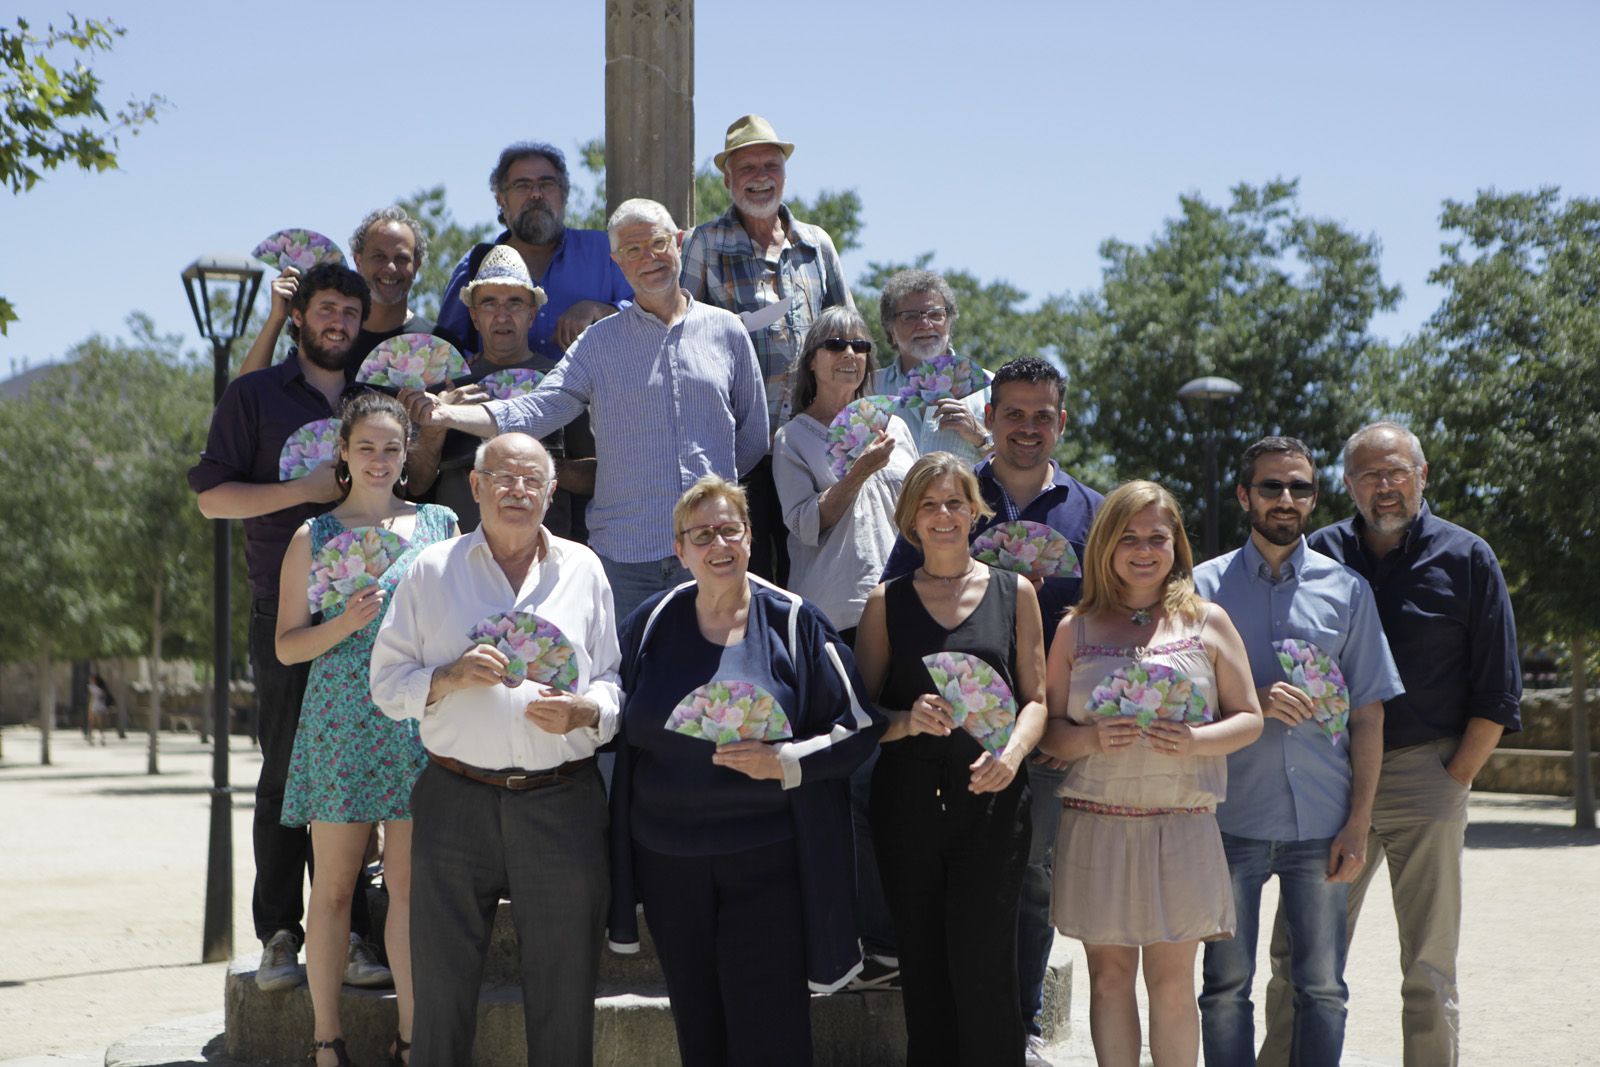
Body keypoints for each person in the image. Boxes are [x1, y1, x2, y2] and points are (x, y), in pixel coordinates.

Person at [1259, 422, 1523, 1067]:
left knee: (1428, 966)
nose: (1385, 487)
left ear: (1422, 476)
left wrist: (1451, 780)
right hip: (1328, 779)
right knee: (1301, 956)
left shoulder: (1467, 558)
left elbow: (1498, 692)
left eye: (1398, 472)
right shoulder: (1317, 553)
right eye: (1370, 475)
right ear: (1346, 485)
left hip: (1422, 777)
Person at [607, 475, 884, 1066]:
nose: (718, 545)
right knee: (697, 1025)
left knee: (771, 1032)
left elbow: (860, 726)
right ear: (679, 551)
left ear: (751, 539)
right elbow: (612, 709)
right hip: (667, 861)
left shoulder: (793, 622)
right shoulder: (650, 624)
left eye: (729, 529)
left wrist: (784, 761)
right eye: (701, 534)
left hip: (766, 859)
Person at [370, 432, 620, 1064]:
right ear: (475, 487)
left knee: (566, 997)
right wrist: (449, 676)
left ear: (552, 491)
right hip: (456, 797)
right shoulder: (432, 571)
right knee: (442, 997)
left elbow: (613, 679)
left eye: (532, 480)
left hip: (562, 801)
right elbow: (385, 685)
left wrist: (588, 711)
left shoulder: (584, 569)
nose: (518, 491)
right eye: (503, 478)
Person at [880, 356, 1103, 1059]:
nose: (1029, 427)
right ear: (992, 420)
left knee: (1019, 909)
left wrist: (1023, 745)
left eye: (1043, 415)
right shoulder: (933, 522)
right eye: (1015, 413)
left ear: (1060, 423)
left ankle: (1026, 1026)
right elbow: (875, 675)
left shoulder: (1087, 515)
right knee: (939, 944)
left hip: (1037, 747)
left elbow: (1118, 605)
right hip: (926, 776)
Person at [414, 198, 769, 622]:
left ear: (678, 243)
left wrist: (714, 487)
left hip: (715, 550)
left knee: (711, 682)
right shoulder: (598, 344)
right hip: (626, 559)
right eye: (633, 251)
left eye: (657, 243)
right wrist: (449, 416)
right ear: (617, 263)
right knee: (624, 685)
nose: (648, 258)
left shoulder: (727, 331)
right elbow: (537, 409)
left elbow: (751, 440)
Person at [188, 262, 389, 992]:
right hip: (288, 609)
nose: (338, 321)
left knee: (363, 773)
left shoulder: (381, 398)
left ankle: (363, 937)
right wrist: (299, 492)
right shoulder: (254, 395)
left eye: (349, 311)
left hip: (373, 616)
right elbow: (212, 498)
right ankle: (280, 932)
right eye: (325, 308)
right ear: (299, 316)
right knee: (283, 770)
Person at [1191, 436, 1403, 1067]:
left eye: (1299, 488)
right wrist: (1249, 699)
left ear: (1314, 496)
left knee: (1324, 989)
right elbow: (1179, 703)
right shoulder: (1200, 589)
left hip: (1323, 821)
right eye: (1271, 487)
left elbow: (1368, 715)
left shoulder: (1348, 591)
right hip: (1229, 819)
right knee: (1225, 988)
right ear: (1244, 495)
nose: (1286, 499)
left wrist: (1358, 823)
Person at [1039, 479, 1262, 1067]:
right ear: (1106, 546)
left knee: (1172, 983)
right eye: (1128, 537)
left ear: (1176, 544)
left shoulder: (1208, 621)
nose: (1144, 550)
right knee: (1109, 980)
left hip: (1183, 824)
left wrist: (1194, 741)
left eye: (1157, 537)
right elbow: (1050, 729)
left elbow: (1249, 719)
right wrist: (1088, 738)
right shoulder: (1074, 629)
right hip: (1096, 825)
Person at [275, 391, 458, 1066]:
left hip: (416, 718)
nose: (379, 459)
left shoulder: (441, 524)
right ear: (344, 454)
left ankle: (412, 1038)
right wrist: (343, 624)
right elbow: (287, 646)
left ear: (407, 451)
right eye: (366, 446)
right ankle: (327, 1039)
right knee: (333, 887)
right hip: (339, 720)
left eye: (391, 446)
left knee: (410, 889)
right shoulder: (313, 535)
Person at [853, 452, 1050, 1066]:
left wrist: (1014, 754)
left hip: (993, 802)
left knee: (988, 962)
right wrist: (907, 719)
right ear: (910, 518)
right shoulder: (885, 603)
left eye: (955, 502)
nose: (944, 515)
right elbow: (860, 718)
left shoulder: (1013, 591)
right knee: (924, 963)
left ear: (975, 511)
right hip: (908, 805)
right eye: (929, 504)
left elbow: (1037, 699)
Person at [682, 113, 856, 584]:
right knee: (750, 571)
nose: (760, 178)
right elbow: (680, 339)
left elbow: (850, 337)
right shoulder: (705, 243)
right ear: (727, 179)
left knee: (818, 568)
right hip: (741, 446)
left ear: (785, 173)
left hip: (812, 440)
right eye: (748, 168)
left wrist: (855, 424)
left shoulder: (816, 244)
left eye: (770, 166)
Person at [404, 245, 590, 538]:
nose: (502, 316)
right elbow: (415, 484)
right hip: (461, 556)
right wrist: (435, 429)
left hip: (544, 559)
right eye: (490, 303)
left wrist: (531, 467)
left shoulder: (562, 380)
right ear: (474, 316)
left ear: (532, 313)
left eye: (514, 303)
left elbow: (596, 475)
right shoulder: (445, 387)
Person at [771, 307, 916, 643]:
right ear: (811, 361)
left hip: (904, 600)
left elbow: (918, 510)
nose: (850, 353)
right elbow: (804, 525)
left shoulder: (895, 426)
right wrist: (857, 474)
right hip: (836, 609)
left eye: (860, 346)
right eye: (835, 344)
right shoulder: (793, 437)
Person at [435, 141, 632, 359]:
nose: (536, 194)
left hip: (593, 393)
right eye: (522, 186)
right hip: (501, 394)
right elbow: (446, 351)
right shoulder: (475, 265)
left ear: (564, 194)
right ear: (501, 199)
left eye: (546, 184)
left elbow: (652, 316)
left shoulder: (606, 251)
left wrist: (600, 310)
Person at [238, 206, 435, 376]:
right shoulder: (331, 333)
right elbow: (246, 398)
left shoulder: (438, 343)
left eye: (401, 258)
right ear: (358, 261)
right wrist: (276, 318)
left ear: (416, 265)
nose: (390, 268)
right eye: (379, 257)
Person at [870, 269, 991, 462]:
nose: (925, 324)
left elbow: (1019, 469)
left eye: (935, 314)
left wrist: (981, 437)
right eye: (910, 316)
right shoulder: (867, 389)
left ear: (950, 322)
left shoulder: (992, 388)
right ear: (890, 328)